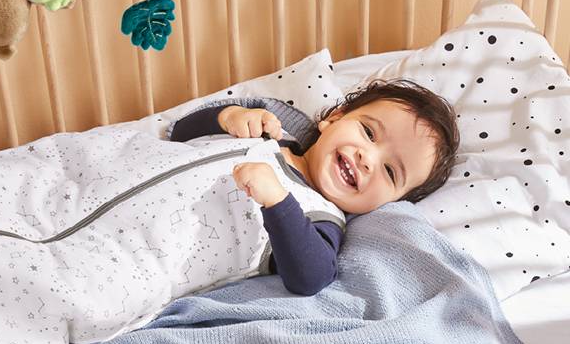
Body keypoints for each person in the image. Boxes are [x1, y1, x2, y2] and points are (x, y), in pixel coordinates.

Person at [168, 79, 460, 295]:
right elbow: (180, 133)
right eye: (369, 132)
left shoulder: (320, 218)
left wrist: (278, 202)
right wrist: (228, 118)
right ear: (334, 117)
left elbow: (311, 276)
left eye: (390, 171)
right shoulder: (267, 133)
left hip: (153, 255)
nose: (367, 159)